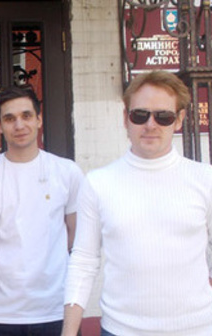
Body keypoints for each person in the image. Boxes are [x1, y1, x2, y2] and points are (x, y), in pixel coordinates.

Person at [62, 70, 212, 336]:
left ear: (179, 120)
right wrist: (69, 332)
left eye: (163, 116)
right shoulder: (98, 183)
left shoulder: (205, 179)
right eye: (140, 115)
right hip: (121, 330)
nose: (150, 125)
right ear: (125, 118)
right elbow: (84, 260)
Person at [0, 85, 84, 335]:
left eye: (26, 116)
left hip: (55, 307)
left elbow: (74, 235)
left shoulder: (67, 172)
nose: (19, 125)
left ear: (39, 119)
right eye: (9, 118)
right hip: (1, 312)